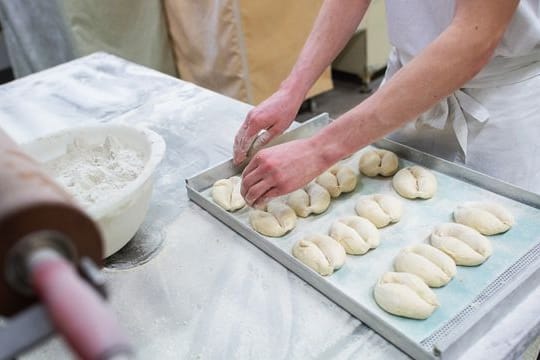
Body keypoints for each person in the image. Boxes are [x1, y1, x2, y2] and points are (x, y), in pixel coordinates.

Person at [233, 0, 540, 209]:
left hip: (497, 109)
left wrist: (319, 149)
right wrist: (293, 88)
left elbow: (474, 39)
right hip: (403, 94)